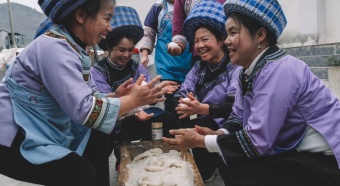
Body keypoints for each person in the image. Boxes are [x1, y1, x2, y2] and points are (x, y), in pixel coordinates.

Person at [163, 0, 340, 185]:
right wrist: (218, 133)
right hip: (293, 147)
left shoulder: (281, 70)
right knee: (228, 162)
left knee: (240, 171)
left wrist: (201, 141)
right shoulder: (247, 70)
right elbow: (238, 116)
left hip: (327, 159)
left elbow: (257, 141)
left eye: (233, 32)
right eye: (227, 33)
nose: (228, 40)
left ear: (260, 35)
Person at [0, 0, 169, 185]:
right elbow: (84, 110)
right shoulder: (54, 48)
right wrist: (133, 100)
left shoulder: (75, 50)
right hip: (14, 135)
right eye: (107, 18)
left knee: (99, 136)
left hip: (39, 128)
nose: (110, 28)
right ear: (81, 16)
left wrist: (117, 97)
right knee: (79, 173)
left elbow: (91, 97)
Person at [91, 6, 178, 171]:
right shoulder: (99, 71)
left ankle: (156, 153)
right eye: (121, 50)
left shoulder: (135, 66)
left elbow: (148, 87)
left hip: (139, 111)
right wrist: (132, 108)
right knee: (114, 130)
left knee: (166, 118)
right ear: (109, 48)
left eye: (130, 50)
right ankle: (121, 158)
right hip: (116, 118)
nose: (126, 55)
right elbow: (103, 100)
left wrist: (159, 89)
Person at [172, 0, 241, 182]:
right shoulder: (198, 68)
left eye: (205, 39)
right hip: (206, 121)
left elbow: (232, 106)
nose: (200, 45)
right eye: (196, 41)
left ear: (221, 40)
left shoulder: (235, 67)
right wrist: (184, 104)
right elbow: (182, 93)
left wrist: (200, 107)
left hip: (231, 126)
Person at [139, 0, 192, 117]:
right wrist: (144, 55)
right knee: (171, 104)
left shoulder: (190, 4)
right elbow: (149, 32)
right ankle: (172, 132)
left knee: (187, 105)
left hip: (189, 66)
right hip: (167, 67)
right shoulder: (158, 7)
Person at [168, 0, 226, 65]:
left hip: (226, 50)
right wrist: (178, 44)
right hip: (199, 56)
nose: (201, 45)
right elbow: (179, 27)